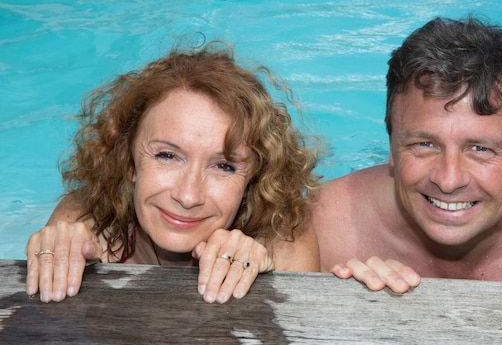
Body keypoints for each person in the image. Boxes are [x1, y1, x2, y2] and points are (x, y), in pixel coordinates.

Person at [314, 15, 502, 303]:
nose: (448, 180)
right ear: (392, 143)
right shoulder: (318, 231)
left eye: (480, 149)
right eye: (424, 144)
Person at [26, 43, 321, 304]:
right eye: (167, 156)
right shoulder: (83, 225)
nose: (188, 195)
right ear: (128, 162)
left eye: (224, 166)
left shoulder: (283, 239)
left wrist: (264, 282)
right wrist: (58, 254)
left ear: (253, 180)